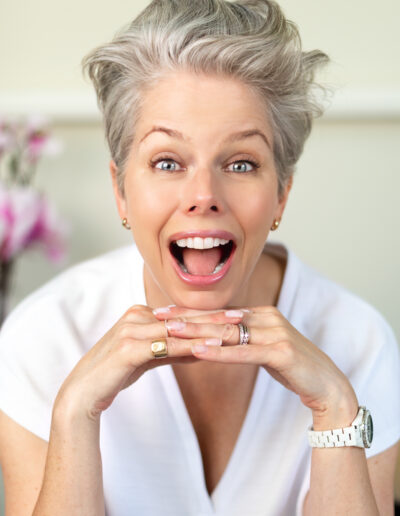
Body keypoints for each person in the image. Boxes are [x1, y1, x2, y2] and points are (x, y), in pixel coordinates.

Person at [0, 0, 399, 514]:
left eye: (240, 162)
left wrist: (337, 409)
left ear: (281, 194)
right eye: (167, 161)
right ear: (121, 191)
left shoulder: (357, 341)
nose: (203, 194)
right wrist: (75, 414)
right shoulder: (43, 337)